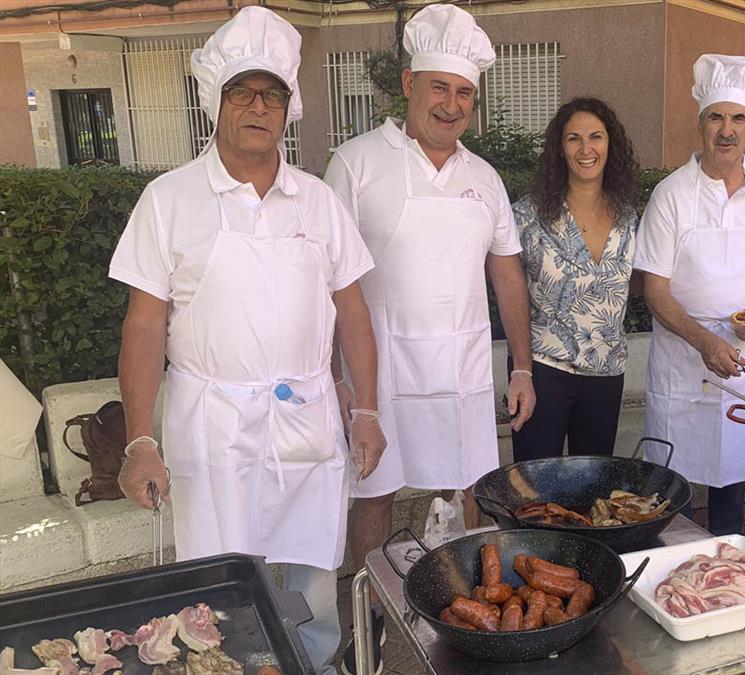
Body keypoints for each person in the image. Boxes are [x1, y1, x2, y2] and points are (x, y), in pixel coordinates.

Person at [110, 8, 384, 674]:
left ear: (289, 108)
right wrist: (140, 439)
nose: (258, 106)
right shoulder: (169, 199)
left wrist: (369, 409)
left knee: (312, 583)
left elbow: (352, 312)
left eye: (272, 94)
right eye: (243, 91)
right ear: (217, 102)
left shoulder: (319, 202)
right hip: (214, 425)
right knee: (219, 590)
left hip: (307, 420)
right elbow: (144, 324)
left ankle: (314, 665)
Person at [323, 6, 535, 671]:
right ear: (409, 84)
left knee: (470, 492)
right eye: (440, 87)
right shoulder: (355, 164)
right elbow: (327, 279)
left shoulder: (485, 179)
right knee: (375, 495)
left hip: (464, 369)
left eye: (464, 92)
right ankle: (373, 617)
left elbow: (507, 275)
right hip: (379, 372)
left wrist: (522, 366)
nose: (451, 104)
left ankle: (472, 619)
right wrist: (337, 378)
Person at [635, 54, 745, 537]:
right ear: (701, 123)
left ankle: (724, 584)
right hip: (682, 369)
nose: (726, 130)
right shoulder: (670, 194)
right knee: (669, 494)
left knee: (733, 489)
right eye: (717, 117)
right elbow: (656, 289)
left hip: (744, 368)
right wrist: (704, 342)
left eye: (738, 118)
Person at [509, 97, 640, 460]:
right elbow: (508, 290)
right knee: (535, 488)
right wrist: (520, 370)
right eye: (574, 139)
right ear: (560, 149)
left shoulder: (628, 218)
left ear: (610, 145)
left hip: (606, 371)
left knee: (593, 489)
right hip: (543, 371)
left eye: (596, 137)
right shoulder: (526, 216)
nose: (586, 149)